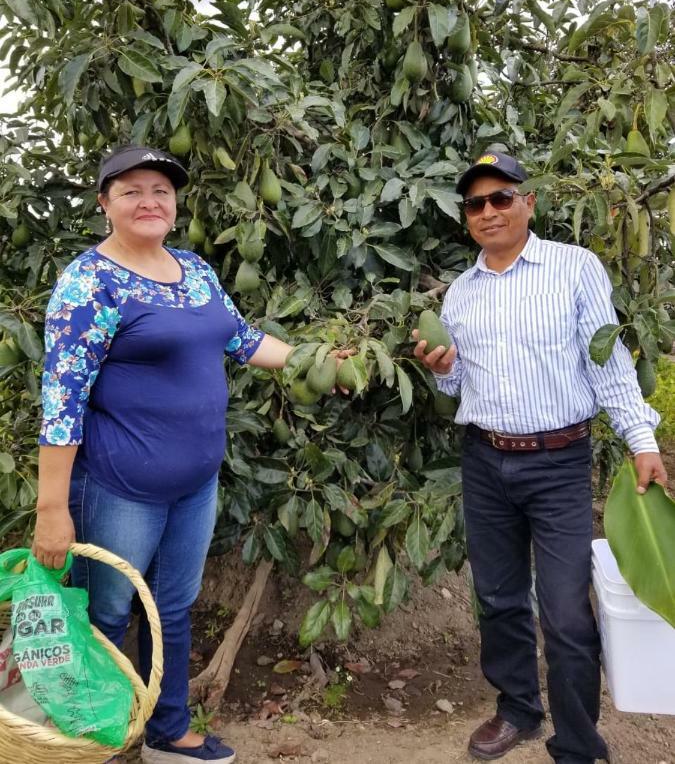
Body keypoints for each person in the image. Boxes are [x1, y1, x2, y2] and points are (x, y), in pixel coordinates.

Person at [33, 146, 349, 764]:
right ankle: (90, 738)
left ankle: (168, 731)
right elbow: (61, 400)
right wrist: (52, 507)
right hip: (121, 485)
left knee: (172, 607)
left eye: (162, 190)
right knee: (107, 612)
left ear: (176, 205)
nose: (150, 200)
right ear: (104, 204)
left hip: (195, 484)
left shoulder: (193, 269)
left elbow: (243, 339)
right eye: (131, 190)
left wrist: (318, 364)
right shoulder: (88, 282)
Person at [413, 151, 667, 764]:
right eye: (477, 203)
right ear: (466, 217)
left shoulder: (573, 268)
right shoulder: (461, 295)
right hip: (484, 460)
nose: (490, 211)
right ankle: (518, 710)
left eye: (502, 197)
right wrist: (442, 369)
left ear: (529, 202)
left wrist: (642, 441)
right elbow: (458, 388)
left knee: (564, 613)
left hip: (558, 461)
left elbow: (606, 363)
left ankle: (579, 742)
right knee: (499, 599)